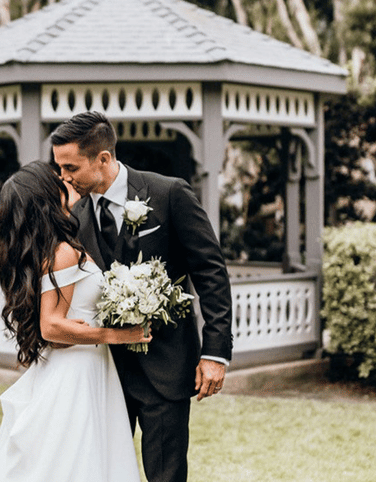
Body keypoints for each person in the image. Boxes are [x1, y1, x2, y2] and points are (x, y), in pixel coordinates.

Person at [51, 111, 233, 482]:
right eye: (59, 167)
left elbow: (210, 271)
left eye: (70, 167)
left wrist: (215, 352)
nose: (63, 177)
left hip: (165, 365)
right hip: (100, 371)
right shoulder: (74, 215)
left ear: (103, 158)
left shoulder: (168, 193)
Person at [0, 160, 151, 482]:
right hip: (76, 372)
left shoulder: (50, 248)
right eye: (56, 178)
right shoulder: (63, 252)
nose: (66, 179)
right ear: (46, 195)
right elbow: (51, 326)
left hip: (75, 364)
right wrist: (120, 334)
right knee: (75, 461)